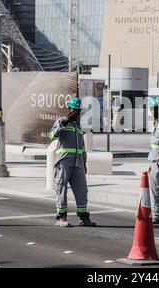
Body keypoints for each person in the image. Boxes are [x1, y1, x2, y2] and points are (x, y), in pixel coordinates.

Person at [49, 97, 96, 227]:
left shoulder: (78, 126)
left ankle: (83, 217)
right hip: (64, 162)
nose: (76, 112)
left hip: (78, 164)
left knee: (82, 191)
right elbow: (52, 135)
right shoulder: (62, 122)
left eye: (78, 110)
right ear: (69, 109)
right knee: (61, 189)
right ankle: (61, 217)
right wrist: (65, 122)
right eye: (74, 110)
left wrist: (84, 163)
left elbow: (82, 147)